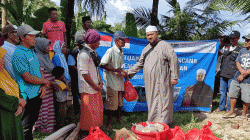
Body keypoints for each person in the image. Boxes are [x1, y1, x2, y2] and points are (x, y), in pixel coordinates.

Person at [122, 25, 179, 125]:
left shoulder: (164, 45)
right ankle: (153, 121)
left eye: (151, 34)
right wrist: (129, 72)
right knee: (152, 101)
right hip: (150, 82)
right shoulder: (146, 49)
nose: (149, 37)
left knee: (164, 101)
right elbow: (140, 63)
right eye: (147, 35)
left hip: (162, 80)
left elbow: (173, 60)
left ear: (157, 33)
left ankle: (163, 124)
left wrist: (174, 76)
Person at [12, 24, 50, 140]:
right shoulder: (19, 54)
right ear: (22, 37)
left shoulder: (31, 51)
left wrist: (43, 84)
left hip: (36, 94)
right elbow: (27, 77)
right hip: (26, 96)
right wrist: (44, 81)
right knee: (25, 127)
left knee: (31, 124)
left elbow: (38, 69)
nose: (35, 38)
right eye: (32, 36)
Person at [99, 31, 128, 130]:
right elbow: (102, 64)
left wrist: (124, 74)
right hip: (112, 81)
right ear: (116, 41)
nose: (124, 41)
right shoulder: (111, 51)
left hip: (119, 80)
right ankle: (108, 123)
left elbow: (120, 67)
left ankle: (119, 119)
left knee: (120, 103)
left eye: (124, 39)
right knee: (111, 103)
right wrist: (115, 70)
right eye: (122, 39)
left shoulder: (121, 51)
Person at [77, 29, 103, 132]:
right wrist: (95, 86)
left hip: (95, 87)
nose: (99, 43)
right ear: (92, 41)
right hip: (88, 89)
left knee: (96, 111)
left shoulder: (92, 52)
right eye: (98, 41)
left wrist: (100, 81)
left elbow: (96, 68)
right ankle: (88, 132)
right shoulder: (84, 54)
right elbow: (84, 74)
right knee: (89, 112)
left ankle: (96, 130)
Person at [33, 37, 61, 132]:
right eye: (47, 45)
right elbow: (39, 75)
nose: (49, 47)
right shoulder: (37, 58)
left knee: (49, 107)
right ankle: (41, 127)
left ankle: (49, 127)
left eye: (49, 45)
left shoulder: (46, 57)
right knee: (43, 107)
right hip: (43, 87)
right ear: (40, 46)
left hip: (49, 88)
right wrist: (50, 82)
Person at [0, 47, 26, 140]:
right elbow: (1, 97)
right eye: (1, 58)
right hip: (3, 117)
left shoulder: (4, 74)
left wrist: (20, 105)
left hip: (13, 115)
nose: (4, 61)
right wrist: (18, 101)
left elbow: (16, 88)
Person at [223, 34, 250, 119]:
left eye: (248, 40)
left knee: (246, 97)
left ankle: (244, 114)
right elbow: (237, 62)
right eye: (246, 40)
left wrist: (245, 74)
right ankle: (231, 112)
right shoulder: (242, 50)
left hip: (248, 79)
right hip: (237, 76)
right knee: (233, 94)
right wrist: (241, 71)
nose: (246, 42)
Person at [217, 31, 243, 112]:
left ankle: (229, 109)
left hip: (233, 75)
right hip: (223, 74)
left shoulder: (241, 49)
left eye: (233, 38)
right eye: (230, 38)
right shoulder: (226, 47)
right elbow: (218, 54)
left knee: (231, 93)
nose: (231, 39)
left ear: (238, 38)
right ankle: (221, 108)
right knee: (222, 92)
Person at [213, 35, 230, 101]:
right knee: (216, 87)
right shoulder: (218, 49)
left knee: (227, 89)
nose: (219, 42)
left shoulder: (228, 50)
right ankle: (211, 101)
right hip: (217, 72)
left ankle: (227, 104)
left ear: (225, 42)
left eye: (221, 41)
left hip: (226, 72)